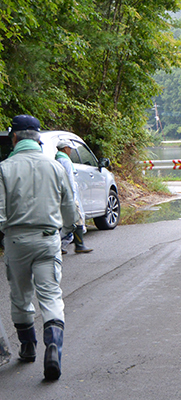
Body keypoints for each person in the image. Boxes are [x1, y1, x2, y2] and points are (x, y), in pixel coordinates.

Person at [0, 115, 78, 381]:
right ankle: (53, 346)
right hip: (47, 238)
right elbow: (69, 209)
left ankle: (28, 346)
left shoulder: (4, 169)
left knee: (20, 296)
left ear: (14, 138)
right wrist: (66, 229)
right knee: (51, 295)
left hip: (16, 241)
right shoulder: (55, 167)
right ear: (37, 138)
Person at [55, 140, 93, 254]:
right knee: (78, 218)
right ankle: (79, 245)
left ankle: (63, 245)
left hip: (61, 194)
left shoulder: (57, 160)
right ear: (65, 148)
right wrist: (72, 196)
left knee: (65, 221)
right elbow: (69, 180)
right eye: (69, 148)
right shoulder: (65, 161)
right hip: (69, 194)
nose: (70, 151)